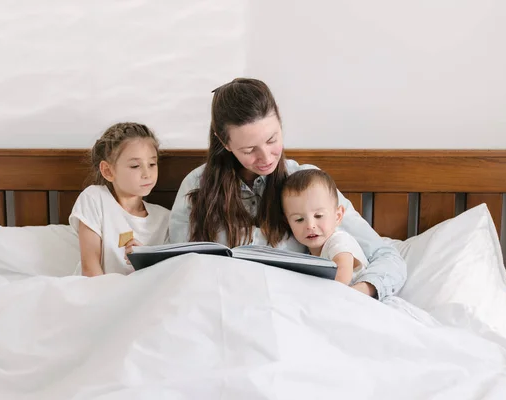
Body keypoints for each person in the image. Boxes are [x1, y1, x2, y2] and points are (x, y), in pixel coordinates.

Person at [169, 78, 406, 299]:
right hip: (224, 306)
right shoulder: (196, 188)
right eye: (249, 150)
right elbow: (178, 268)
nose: (266, 158)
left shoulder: (307, 184)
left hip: (298, 308)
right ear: (224, 142)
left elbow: (385, 256)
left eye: (272, 140)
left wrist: (355, 294)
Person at [69, 122, 170, 276]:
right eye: (135, 166)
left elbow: (167, 275)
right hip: (96, 293)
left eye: (152, 164)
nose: (147, 173)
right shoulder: (95, 199)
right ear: (108, 171)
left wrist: (145, 259)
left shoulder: (165, 218)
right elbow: (90, 268)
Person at [281, 169, 368, 285]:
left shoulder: (339, 241)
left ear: (337, 216)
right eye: (299, 219)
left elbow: (342, 276)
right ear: (288, 222)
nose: (310, 226)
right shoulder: (306, 251)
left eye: (318, 216)